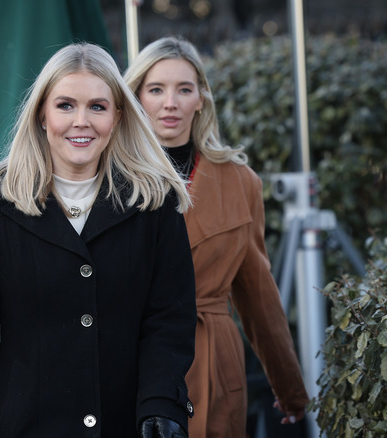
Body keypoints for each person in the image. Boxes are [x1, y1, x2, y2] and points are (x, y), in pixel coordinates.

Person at [0, 42, 197, 438]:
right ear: (42, 113)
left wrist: (162, 405)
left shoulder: (154, 202)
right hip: (30, 425)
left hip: (125, 425)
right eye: (65, 105)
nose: (81, 121)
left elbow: (169, 320)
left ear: (118, 116)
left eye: (97, 106)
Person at [124, 36, 309, 438]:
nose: (170, 103)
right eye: (156, 89)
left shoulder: (239, 181)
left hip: (212, 357)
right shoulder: (111, 175)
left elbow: (258, 294)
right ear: (137, 97)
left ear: (201, 99)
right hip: (132, 354)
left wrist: (289, 387)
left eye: (184, 89)